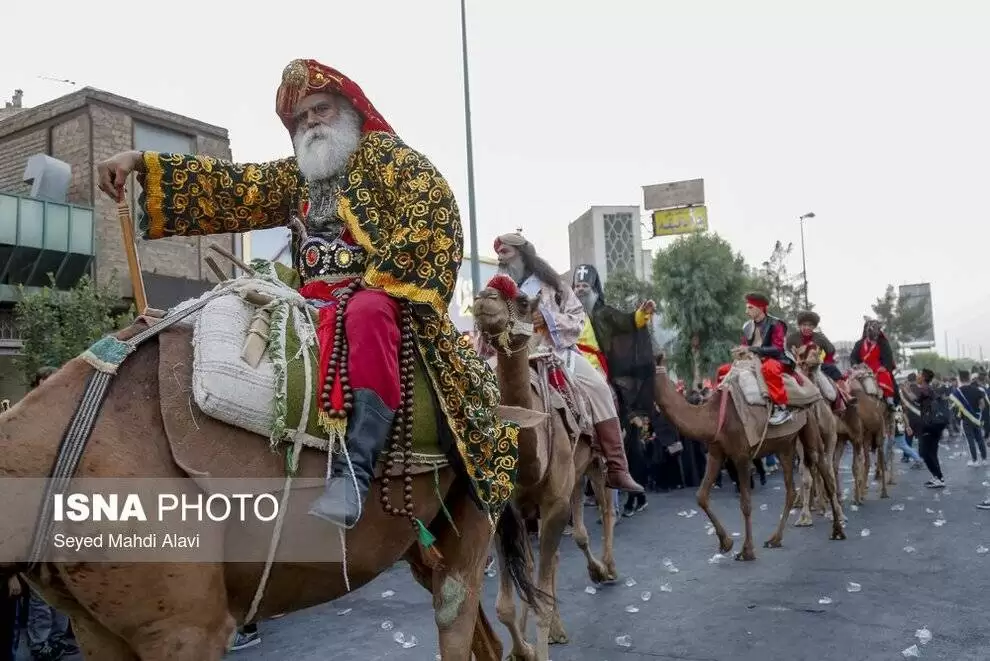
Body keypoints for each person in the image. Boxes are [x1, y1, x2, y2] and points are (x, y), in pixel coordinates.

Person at [96, 59, 519, 531]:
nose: (311, 122)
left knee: (368, 312)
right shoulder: (298, 176)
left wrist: (375, 280)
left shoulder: (390, 161)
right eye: (301, 117)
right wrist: (139, 161)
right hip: (304, 298)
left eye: (321, 109)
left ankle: (354, 474)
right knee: (226, 307)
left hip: (379, 296)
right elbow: (237, 187)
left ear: (350, 110)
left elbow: (434, 216)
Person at [493, 233, 643, 493]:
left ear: (521, 254)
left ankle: (617, 467)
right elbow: (484, 328)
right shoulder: (496, 290)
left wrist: (547, 319)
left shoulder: (554, 285)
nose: (500, 259)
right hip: (511, 355)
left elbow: (577, 318)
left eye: (505, 253)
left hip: (554, 352)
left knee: (599, 387)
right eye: (498, 254)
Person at [571, 263, 657, 511]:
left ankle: (628, 482)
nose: (580, 290)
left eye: (585, 286)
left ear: (594, 288)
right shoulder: (567, 311)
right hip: (569, 364)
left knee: (627, 439)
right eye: (577, 285)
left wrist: (642, 314)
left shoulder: (606, 313)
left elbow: (629, 321)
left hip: (599, 370)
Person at [716, 292, 793, 425]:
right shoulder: (747, 326)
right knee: (722, 370)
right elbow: (746, 345)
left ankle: (781, 408)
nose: (746, 311)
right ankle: (719, 404)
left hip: (775, 359)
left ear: (760, 307)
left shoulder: (776, 324)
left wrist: (751, 349)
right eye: (746, 307)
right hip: (752, 360)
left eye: (750, 308)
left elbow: (777, 349)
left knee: (769, 368)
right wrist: (740, 351)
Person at [849, 319, 900, 410]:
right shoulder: (859, 343)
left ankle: (890, 401)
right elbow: (853, 357)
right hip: (862, 368)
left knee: (885, 376)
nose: (874, 336)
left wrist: (884, 367)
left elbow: (888, 358)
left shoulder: (883, 343)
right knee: (847, 379)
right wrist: (855, 365)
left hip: (878, 368)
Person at [913, 369, 948, 488]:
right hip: (935, 425)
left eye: (919, 374)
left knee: (924, 453)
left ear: (923, 377)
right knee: (932, 453)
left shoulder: (924, 389)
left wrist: (905, 391)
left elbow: (914, 399)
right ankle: (937, 477)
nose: (917, 376)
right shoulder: (930, 389)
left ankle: (939, 477)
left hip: (928, 425)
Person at [949, 369, 987, 466]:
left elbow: (954, 406)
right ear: (969, 378)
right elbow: (982, 405)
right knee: (980, 439)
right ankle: (984, 459)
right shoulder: (977, 390)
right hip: (976, 419)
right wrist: (977, 414)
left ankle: (974, 461)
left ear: (960, 379)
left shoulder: (957, 392)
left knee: (970, 440)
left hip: (965, 419)